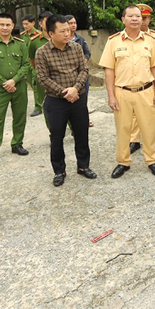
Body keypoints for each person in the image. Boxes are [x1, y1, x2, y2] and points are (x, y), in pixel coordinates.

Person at [99, 5, 155, 178]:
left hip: (146, 91)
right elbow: (109, 71)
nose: (135, 19)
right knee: (123, 129)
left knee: (149, 128)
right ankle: (123, 162)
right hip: (122, 92)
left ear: (142, 20)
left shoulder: (150, 41)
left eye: (138, 16)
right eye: (131, 16)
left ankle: (152, 160)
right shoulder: (114, 41)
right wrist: (111, 96)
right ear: (123, 19)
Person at [35, 14, 95, 186]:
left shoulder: (76, 48)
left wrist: (75, 89)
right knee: (57, 136)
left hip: (78, 97)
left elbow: (84, 70)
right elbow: (43, 79)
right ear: (50, 33)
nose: (67, 34)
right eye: (62, 31)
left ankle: (83, 166)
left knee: (81, 133)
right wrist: (64, 92)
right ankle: (59, 171)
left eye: (68, 30)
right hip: (56, 101)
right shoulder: (42, 53)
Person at [0, 13, 31, 168]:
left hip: (19, 87)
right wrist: (5, 83)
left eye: (8, 25)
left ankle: (17, 144)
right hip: (0, 88)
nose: (5, 28)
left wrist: (14, 80)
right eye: (2, 24)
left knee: (20, 117)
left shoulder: (21, 44)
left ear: (13, 25)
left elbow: (26, 65)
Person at [129, 3, 155, 154]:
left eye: (145, 18)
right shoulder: (125, 37)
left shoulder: (154, 36)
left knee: (150, 111)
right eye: (140, 17)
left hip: (149, 79)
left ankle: (149, 141)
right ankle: (134, 140)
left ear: (149, 19)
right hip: (133, 80)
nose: (142, 21)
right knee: (134, 113)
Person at [66, 15, 94, 128]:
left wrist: (84, 60)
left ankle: (84, 120)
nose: (73, 25)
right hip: (68, 75)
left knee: (83, 98)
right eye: (70, 23)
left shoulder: (81, 39)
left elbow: (87, 52)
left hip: (82, 74)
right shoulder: (62, 39)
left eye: (74, 23)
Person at [28, 10, 53, 117]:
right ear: (40, 24)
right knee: (46, 104)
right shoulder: (34, 41)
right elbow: (32, 59)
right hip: (43, 76)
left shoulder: (59, 37)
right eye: (46, 21)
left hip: (59, 75)